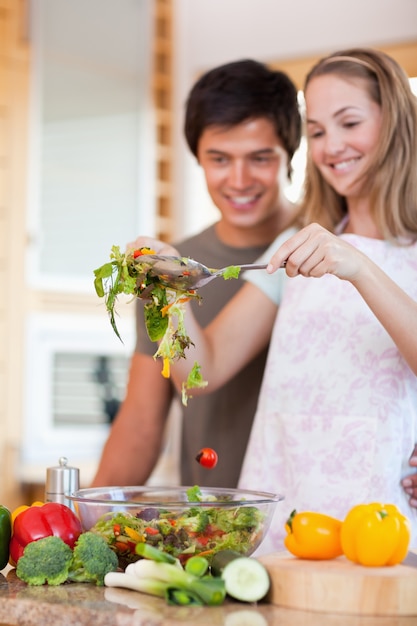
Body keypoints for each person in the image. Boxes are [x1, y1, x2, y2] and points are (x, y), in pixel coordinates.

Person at [137, 48, 417, 552]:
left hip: (383, 513)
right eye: (318, 131)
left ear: (394, 121)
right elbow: (202, 370)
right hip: (286, 509)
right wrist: (171, 289)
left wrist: (356, 266)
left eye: (349, 123)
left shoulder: (368, 249)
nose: (332, 146)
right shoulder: (295, 245)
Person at [91, 59, 302, 488]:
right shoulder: (170, 267)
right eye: (219, 159)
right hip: (209, 521)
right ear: (197, 157)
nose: (239, 179)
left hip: (314, 521)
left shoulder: (324, 253)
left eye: (260, 158)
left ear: (290, 153)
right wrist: (77, 522)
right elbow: (141, 426)